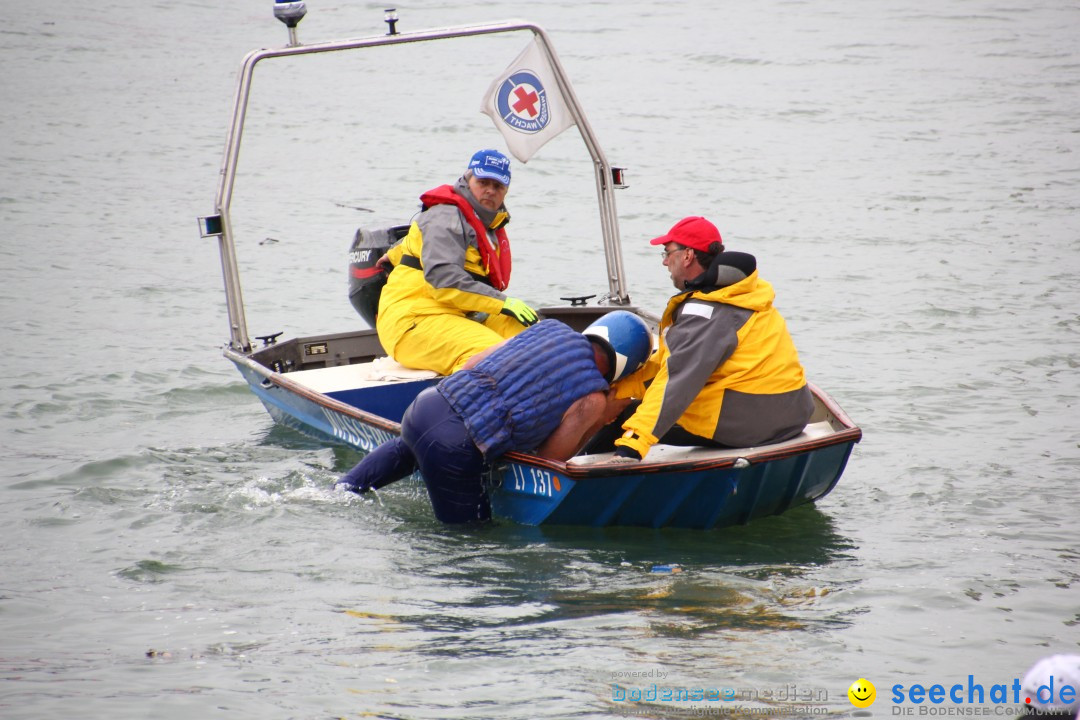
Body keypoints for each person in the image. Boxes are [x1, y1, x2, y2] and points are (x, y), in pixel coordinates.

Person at [335, 312, 653, 524]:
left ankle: (340, 490)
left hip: (427, 406)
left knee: (411, 450)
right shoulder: (595, 398)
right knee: (469, 545)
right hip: (455, 446)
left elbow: (473, 363)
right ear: (627, 366)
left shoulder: (549, 328)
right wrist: (600, 419)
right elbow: (549, 457)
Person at [608, 216, 814, 462]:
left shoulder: (707, 311)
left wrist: (633, 445)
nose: (664, 261)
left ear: (687, 255)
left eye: (667, 252)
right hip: (791, 412)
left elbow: (677, 381)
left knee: (625, 418)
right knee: (628, 401)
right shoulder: (744, 292)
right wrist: (619, 389)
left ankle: (586, 481)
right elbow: (673, 368)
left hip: (751, 423)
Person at [375, 148, 540, 376]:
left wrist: (393, 253)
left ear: (506, 190)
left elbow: (416, 243)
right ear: (467, 179)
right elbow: (444, 280)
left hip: (458, 314)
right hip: (414, 320)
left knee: (539, 340)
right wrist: (504, 303)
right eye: (483, 182)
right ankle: (461, 408)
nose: (490, 191)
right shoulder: (446, 216)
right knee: (492, 355)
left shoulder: (486, 222)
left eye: (498, 186)